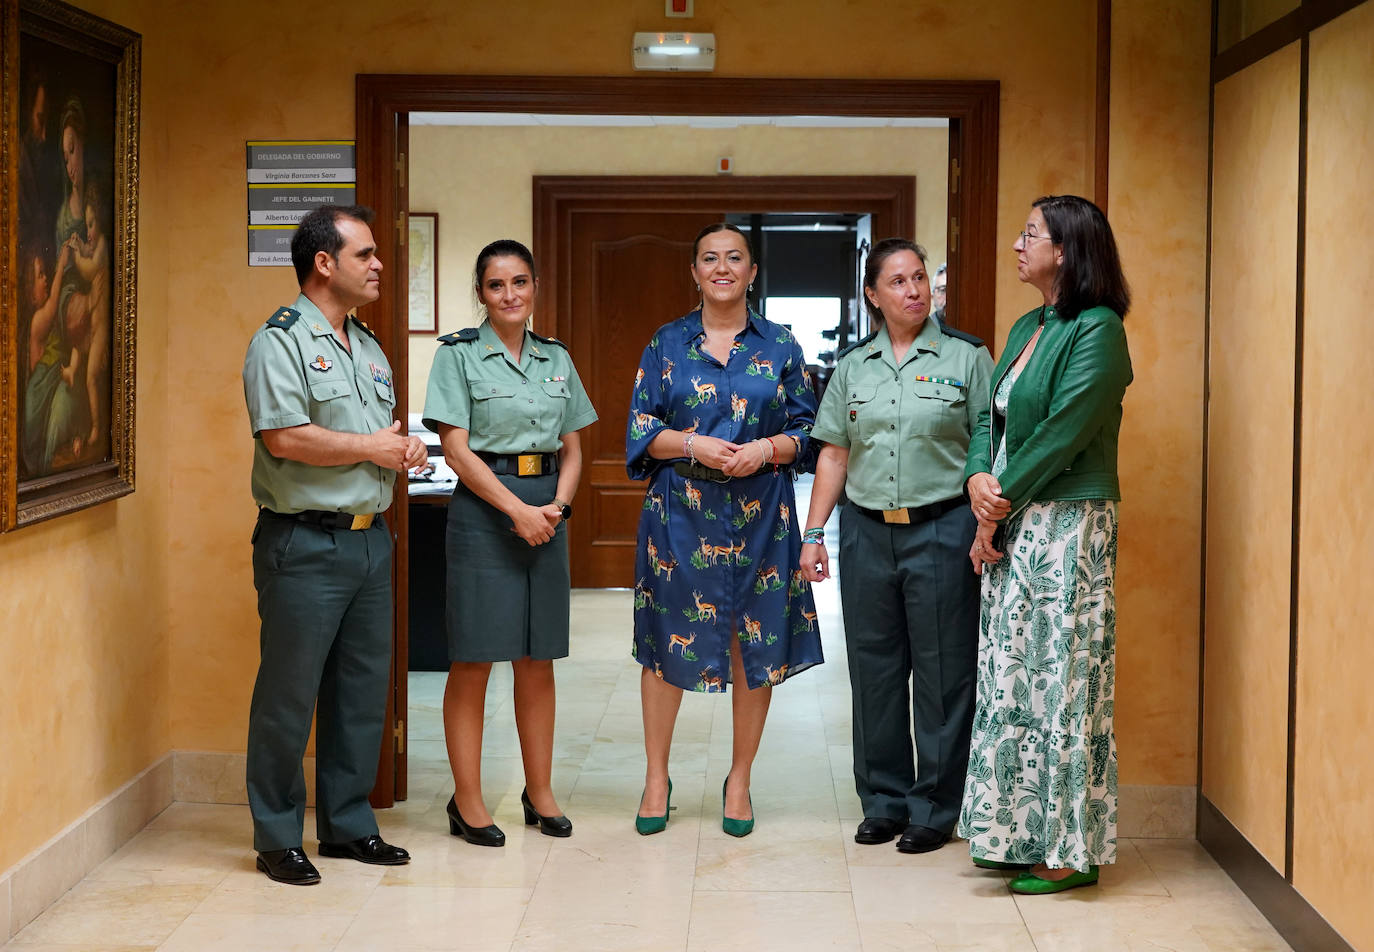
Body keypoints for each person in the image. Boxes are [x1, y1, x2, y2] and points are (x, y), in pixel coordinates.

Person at [241, 204, 427, 885]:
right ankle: (277, 836)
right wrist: (371, 446)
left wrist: (400, 448)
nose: (380, 264)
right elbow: (284, 438)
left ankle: (348, 826)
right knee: (288, 696)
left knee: (360, 692)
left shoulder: (369, 346)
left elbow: (370, 439)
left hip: (369, 541)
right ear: (325, 262)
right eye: (366, 254)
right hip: (304, 544)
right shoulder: (280, 342)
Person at [958, 195, 1132, 894]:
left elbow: (1063, 432)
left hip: (1067, 527)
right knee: (1013, 682)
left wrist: (992, 506)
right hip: (1014, 520)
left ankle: (1070, 849)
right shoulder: (1028, 323)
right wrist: (978, 478)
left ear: (1066, 250)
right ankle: (1016, 834)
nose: (1016, 245)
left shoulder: (1098, 329)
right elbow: (989, 417)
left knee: (1062, 684)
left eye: (1030, 234)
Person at [627, 223, 821, 838]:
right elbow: (640, 431)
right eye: (709, 257)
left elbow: (809, 434)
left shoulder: (783, 345)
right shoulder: (666, 343)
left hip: (763, 517)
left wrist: (764, 449)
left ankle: (739, 779)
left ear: (752, 271)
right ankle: (657, 776)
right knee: (665, 645)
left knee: (752, 645)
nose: (722, 267)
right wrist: (694, 444)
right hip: (679, 513)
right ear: (694, 271)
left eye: (734, 258)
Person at [801, 238, 991, 854]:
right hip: (865, 531)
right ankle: (882, 801)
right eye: (899, 282)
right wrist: (813, 532)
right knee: (876, 671)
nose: (914, 291)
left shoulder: (967, 357)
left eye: (920, 280)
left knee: (942, 672)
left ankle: (934, 807)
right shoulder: (855, 366)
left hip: (942, 527)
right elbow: (833, 451)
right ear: (873, 296)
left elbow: (989, 443)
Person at [422, 239, 597, 846]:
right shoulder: (458, 357)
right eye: (496, 286)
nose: (510, 295)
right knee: (473, 658)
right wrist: (517, 510)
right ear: (481, 294)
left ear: (535, 286)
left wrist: (558, 507)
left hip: (548, 509)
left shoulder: (556, 357)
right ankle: (467, 801)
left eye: (520, 282)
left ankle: (539, 791)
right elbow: (456, 448)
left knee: (537, 656)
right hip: (485, 510)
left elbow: (575, 446)